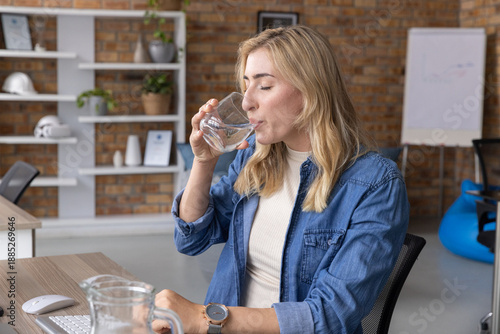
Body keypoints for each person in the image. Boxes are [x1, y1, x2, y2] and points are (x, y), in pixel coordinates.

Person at [154, 25, 409, 334]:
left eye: (264, 86)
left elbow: (331, 314)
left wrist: (205, 318)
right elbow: (191, 239)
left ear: (311, 90)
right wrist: (204, 162)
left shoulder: (376, 184)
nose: (246, 102)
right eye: (246, 84)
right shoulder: (256, 159)